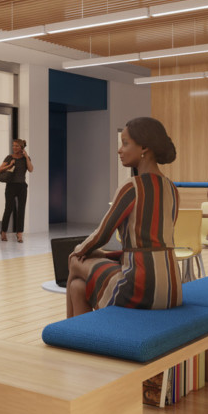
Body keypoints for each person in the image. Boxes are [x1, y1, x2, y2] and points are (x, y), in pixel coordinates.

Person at [65, 118, 181, 318]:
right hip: (172, 289)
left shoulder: (132, 186)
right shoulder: (172, 188)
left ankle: (66, 332)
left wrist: (79, 250)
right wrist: (107, 255)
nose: (119, 150)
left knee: (75, 261)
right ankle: (78, 339)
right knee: (77, 286)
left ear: (144, 147)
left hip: (141, 288)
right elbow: (153, 241)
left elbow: (102, 234)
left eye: (125, 143)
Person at [0, 137, 33, 242]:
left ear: (21, 147)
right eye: (13, 145)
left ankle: (19, 234)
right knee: (8, 209)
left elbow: (30, 169)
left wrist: (26, 157)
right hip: (11, 186)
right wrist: (10, 165)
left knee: (21, 210)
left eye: (16, 146)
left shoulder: (26, 158)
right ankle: (3, 232)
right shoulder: (9, 157)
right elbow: (0, 169)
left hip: (22, 187)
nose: (14, 147)